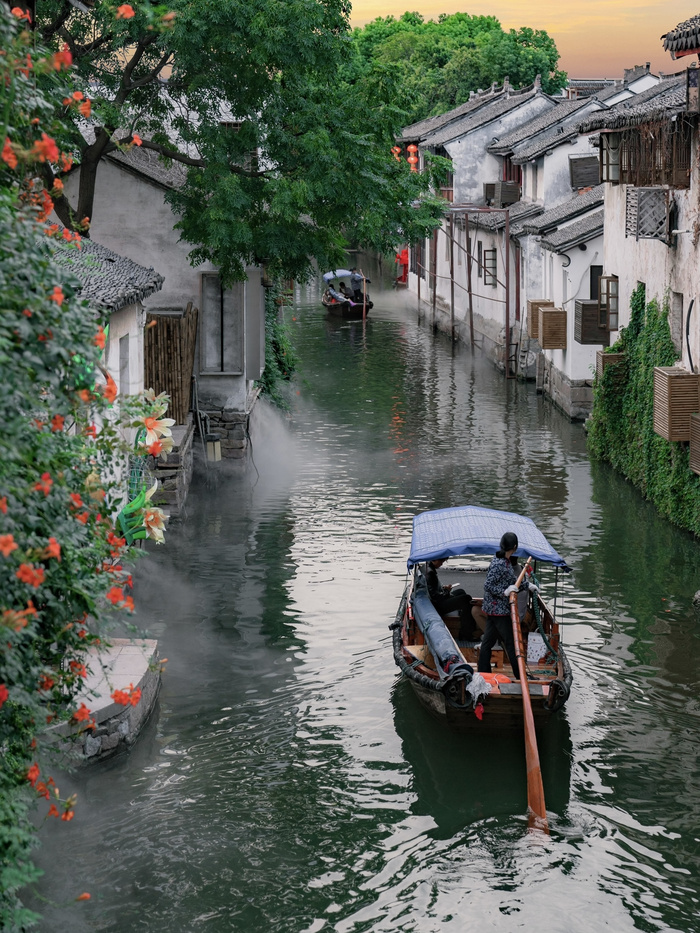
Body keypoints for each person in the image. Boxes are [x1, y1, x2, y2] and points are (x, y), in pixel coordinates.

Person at [477, 532, 539, 680]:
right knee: (512, 644)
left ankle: (483, 672)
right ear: (515, 547)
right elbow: (488, 586)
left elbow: (513, 582)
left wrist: (527, 585)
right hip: (498, 610)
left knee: (488, 642)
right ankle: (521, 676)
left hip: (496, 610)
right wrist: (504, 592)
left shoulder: (504, 561)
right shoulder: (499, 563)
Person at [425, 557, 482, 641]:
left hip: (436, 600)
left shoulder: (428, 568)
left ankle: (465, 620)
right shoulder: (430, 573)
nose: (442, 564)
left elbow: (434, 590)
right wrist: (447, 591)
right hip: (437, 605)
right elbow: (437, 598)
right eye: (441, 561)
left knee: (461, 592)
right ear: (436, 560)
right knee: (466, 599)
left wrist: (444, 589)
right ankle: (466, 633)